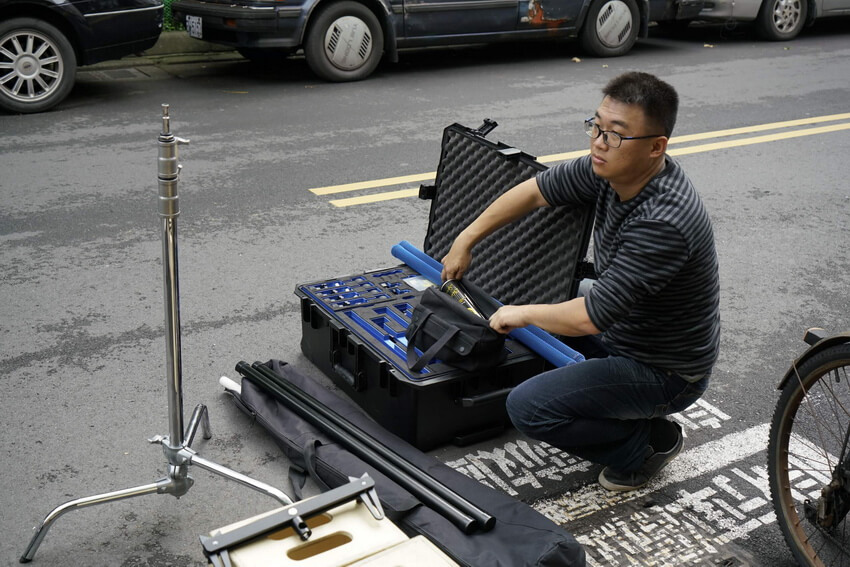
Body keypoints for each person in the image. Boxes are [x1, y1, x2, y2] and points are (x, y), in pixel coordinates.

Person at [440, 72, 720, 492]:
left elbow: (591, 317)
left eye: (616, 135)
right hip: (627, 327)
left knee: (528, 408)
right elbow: (533, 191)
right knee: (553, 295)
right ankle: (612, 405)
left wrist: (521, 314)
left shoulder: (664, 222)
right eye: (597, 126)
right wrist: (466, 238)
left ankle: (642, 448)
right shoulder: (607, 169)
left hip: (664, 370)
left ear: (656, 147)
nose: (599, 142)